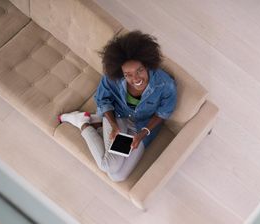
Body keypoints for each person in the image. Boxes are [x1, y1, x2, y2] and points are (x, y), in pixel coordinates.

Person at [58, 30, 177, 182]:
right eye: (128, 74)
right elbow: (103, 100)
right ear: (122, 73)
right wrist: (113, 125)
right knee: (109, 166)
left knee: (117, 176)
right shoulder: (112, 77)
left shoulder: (165, 84)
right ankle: (83, 124)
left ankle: (95, 123)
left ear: (147, 64)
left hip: (141, 128)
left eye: (139, 70)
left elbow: (163, 113)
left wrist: (142, 134)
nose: (135, 79)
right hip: (118, 118)